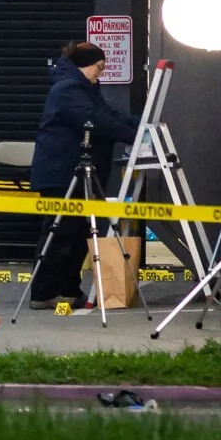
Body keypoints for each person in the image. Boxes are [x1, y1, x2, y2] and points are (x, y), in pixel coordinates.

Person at [28, 42, 139, 310]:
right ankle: (42, 293)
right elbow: (94, 120)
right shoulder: (67, 88)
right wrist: (133, 135)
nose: (99, 74)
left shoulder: (85, 88)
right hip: (61, 173)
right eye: (98, 68)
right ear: (85, 64)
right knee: (59, 233)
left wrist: (141, 123)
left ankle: (67, 289)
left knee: (77, 234)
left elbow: (108, 114)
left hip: (74, 172)